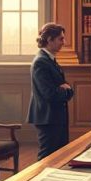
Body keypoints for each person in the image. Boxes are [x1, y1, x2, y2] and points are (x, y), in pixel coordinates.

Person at [27, 23, 74, 160]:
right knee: (47, 157)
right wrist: (66, 90)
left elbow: (65, 87)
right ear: (49, 40)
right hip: (48, 118)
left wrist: (66, 89)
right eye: (61, 39)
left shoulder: (49, 59)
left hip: (55, 117)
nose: (64, 42)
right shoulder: (41, 62)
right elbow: (50, 94)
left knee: (58, 156)